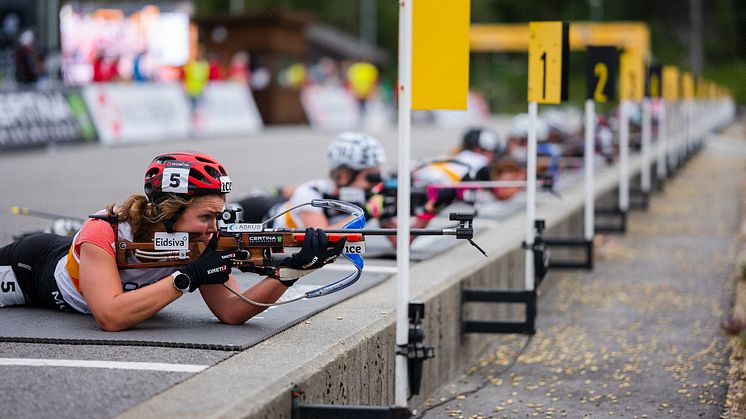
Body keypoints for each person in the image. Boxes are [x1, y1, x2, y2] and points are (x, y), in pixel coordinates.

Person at [0, 152, 343, 331]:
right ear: (169, 211)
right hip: (27, 271)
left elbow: (233, 311)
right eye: (205, 216)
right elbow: (110, 317)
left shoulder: (198, 239)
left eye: (217, 216)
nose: (213, 228)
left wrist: (292, 271)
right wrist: (188, 278)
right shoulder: (103, 232)